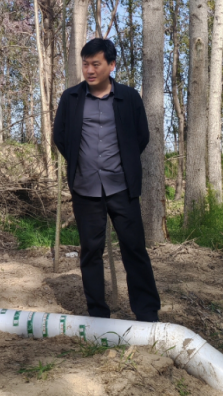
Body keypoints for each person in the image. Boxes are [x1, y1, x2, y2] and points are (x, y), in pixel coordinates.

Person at [52, 38, 161, 323]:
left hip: (122, 187)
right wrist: (82, 163)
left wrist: (121, 162)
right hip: (85, 188)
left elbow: (141, 136)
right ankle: (98, 315)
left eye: (96, 64)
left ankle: (147, 312)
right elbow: (60, 137)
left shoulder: (129, 98)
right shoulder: (71, 98)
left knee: (134, 249)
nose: (89, 70)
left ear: (111, 65)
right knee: (91, 251)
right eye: (85, 64)